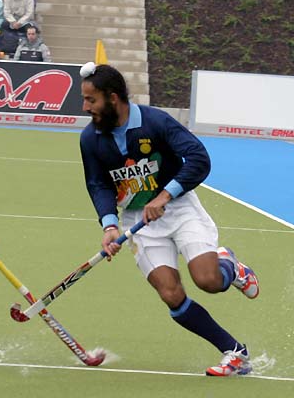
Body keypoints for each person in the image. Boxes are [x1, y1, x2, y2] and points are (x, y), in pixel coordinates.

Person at [78, 63, 259, 376]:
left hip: (179, 207)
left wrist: (165, 195)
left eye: (91, 100)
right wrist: (109, 225)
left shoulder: (155, 121)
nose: (85, 107)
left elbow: (199, 158)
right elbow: (98, 184)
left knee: (208, 281)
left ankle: (230, 266)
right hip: (138, 221)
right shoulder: (90, 139)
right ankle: (235, 352)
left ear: (113, 97)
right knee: (171, 294)